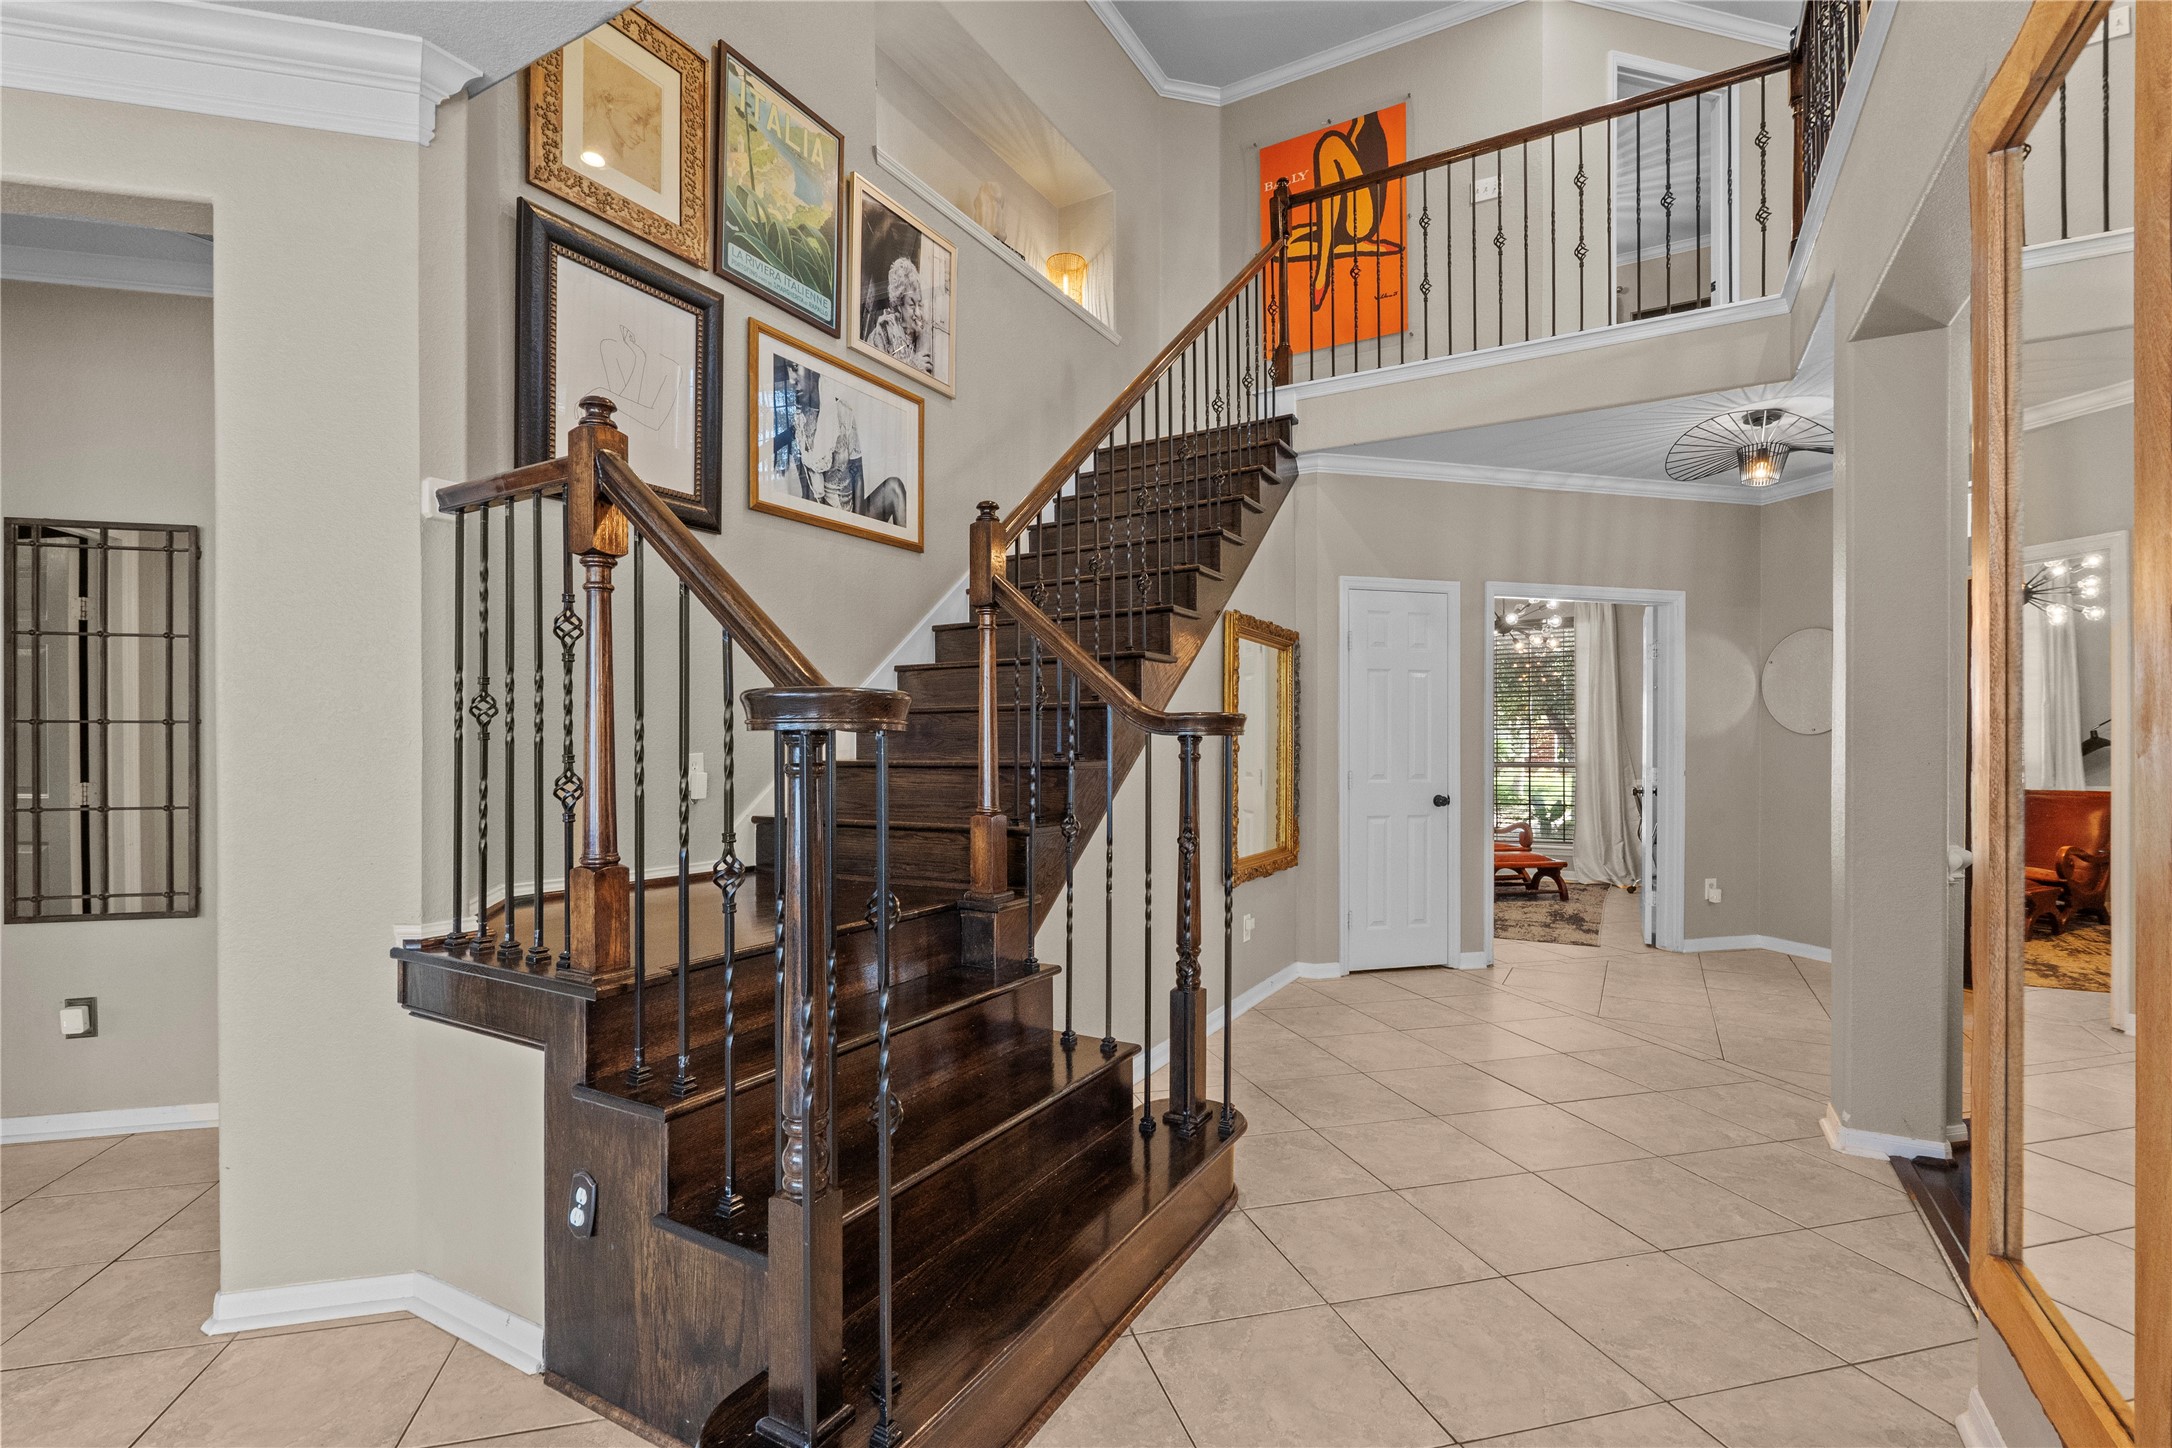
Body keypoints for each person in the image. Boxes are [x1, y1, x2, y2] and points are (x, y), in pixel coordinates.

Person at [864, 254, 932, 375]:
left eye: (919, 304)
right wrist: (912, 365)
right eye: (911, 305)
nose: (918, 313)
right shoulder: (882, 332)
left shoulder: (923, 334)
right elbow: (874, 375)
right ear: (899, 305)